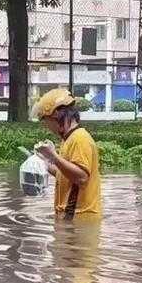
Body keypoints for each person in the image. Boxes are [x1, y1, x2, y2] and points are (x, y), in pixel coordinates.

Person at [32, 89, 102, 221]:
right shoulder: (68, 139)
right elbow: (66, 175)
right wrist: (46, 162)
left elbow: (81, 177)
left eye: (46, 121)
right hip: (69, 218)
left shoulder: (80, 138)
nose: (47, 127)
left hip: (80, 220)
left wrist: (54, 157)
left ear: (56, 115)